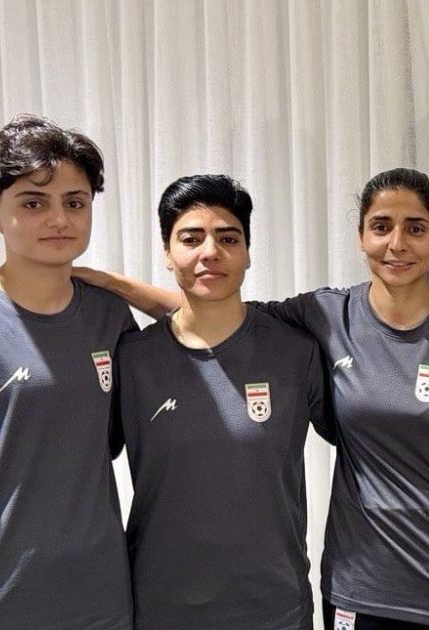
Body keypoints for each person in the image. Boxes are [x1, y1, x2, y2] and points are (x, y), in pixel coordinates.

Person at [82, 167, 429, 630]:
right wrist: (113, 286)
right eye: (381, 227)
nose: (397, 244)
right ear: (360, 237)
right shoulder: (324, 316)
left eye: (415, 228)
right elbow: (214, 309)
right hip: (354, 589)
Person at [115, 174, 332, 629]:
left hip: (273, 608)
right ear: (167, 252)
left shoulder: (296, 352)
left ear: (248, 252)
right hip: (160, 607)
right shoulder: (132, 358)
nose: (209, 252)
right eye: (191, 238)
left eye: (228, 237)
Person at [0, 114, 134, 629]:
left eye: (75, 202)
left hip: (101, 594)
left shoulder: (109, 316)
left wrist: (124, 288)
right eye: (33, 203)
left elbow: (211, 324)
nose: (59, 219)